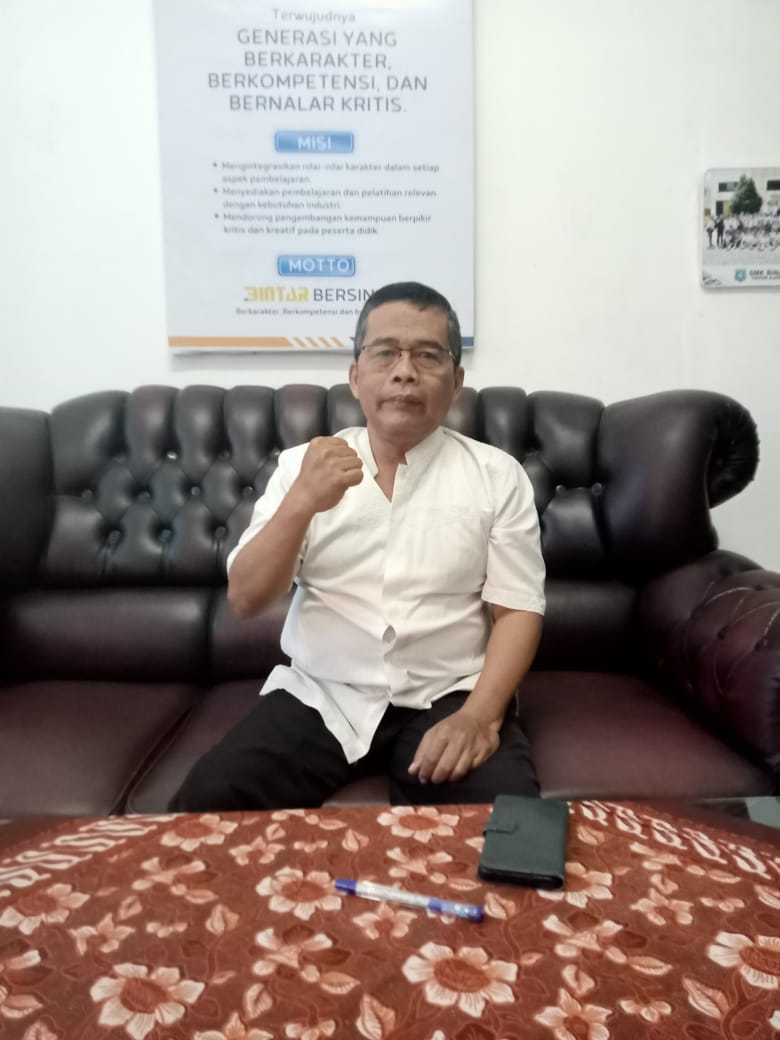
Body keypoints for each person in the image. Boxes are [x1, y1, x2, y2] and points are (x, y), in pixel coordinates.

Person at [169, 282, 546, 811]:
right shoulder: (301, 467)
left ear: (457, 382)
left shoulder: (497, 476)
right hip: (323, 696)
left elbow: (517, 610)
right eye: (385, 352)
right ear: (355, 375)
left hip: (449, 693)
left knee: (513, 829)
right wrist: (302, 502)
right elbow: (246, 599)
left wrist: (480, 716)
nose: (404, 371)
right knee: (204, 809)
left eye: (428, 355)